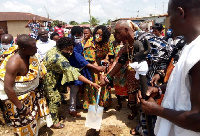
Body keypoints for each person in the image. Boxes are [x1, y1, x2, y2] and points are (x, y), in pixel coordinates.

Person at [140, 0, 200, 135]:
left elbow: (198, 119)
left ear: (181, 13)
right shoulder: (190, 47)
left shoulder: (198, 54)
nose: (168, 21)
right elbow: (185, 84)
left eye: (169, 15)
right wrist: (159, 89)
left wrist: (157, 110)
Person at [0, 34, 52, 135]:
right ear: (24, 48)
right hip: (18, 101)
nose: (36, 48)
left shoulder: (31, 57)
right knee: (22, 128)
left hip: (31, 96)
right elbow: (8, 88)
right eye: (33, 47)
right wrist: (21, 107)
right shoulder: (14, 63)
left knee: (33, 123)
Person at [43, 37, 100, 129]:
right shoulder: (60, 59)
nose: (70, 52)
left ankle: (53, 116)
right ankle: (54, 122)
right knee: (55, 99)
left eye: (71, 48)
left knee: (52, 98)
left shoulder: (55, 48)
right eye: (67, 49)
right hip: (49, 79)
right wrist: (91, 83)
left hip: (54, 76)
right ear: (62, 48)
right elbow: (74, 73)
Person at [67, 26, 105, 112]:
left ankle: (76, 104)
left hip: (80, 68)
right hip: (74, 69)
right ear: (72, 35)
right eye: (78, 35)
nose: (80, 37)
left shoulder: (78, 43)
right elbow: (81, 59)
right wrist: (96, 67)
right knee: (74, 89)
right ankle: (72, 109)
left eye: (80, 35)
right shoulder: (71, 45)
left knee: (77, 87)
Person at [92, 25, 115, 109]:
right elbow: (91, 56)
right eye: (97, 34)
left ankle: (104, 103)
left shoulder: (108, 42)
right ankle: (95, 104)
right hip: (94, 65)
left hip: (105, 64)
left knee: (104, 82)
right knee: (96, 83)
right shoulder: (92, 42)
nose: (98, 36)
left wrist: (106, 59)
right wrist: (97, 68)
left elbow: (111, 53)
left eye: (101, 35)